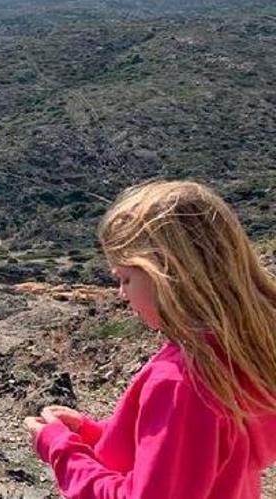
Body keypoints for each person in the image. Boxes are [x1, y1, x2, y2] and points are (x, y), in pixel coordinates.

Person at [25, 180, 276, 498]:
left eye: (125, 278)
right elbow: (183, 455)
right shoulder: (234, 355)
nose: (121, 293)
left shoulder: (180, 382)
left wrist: (61, 450)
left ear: (166, 273)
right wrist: (89, 434)